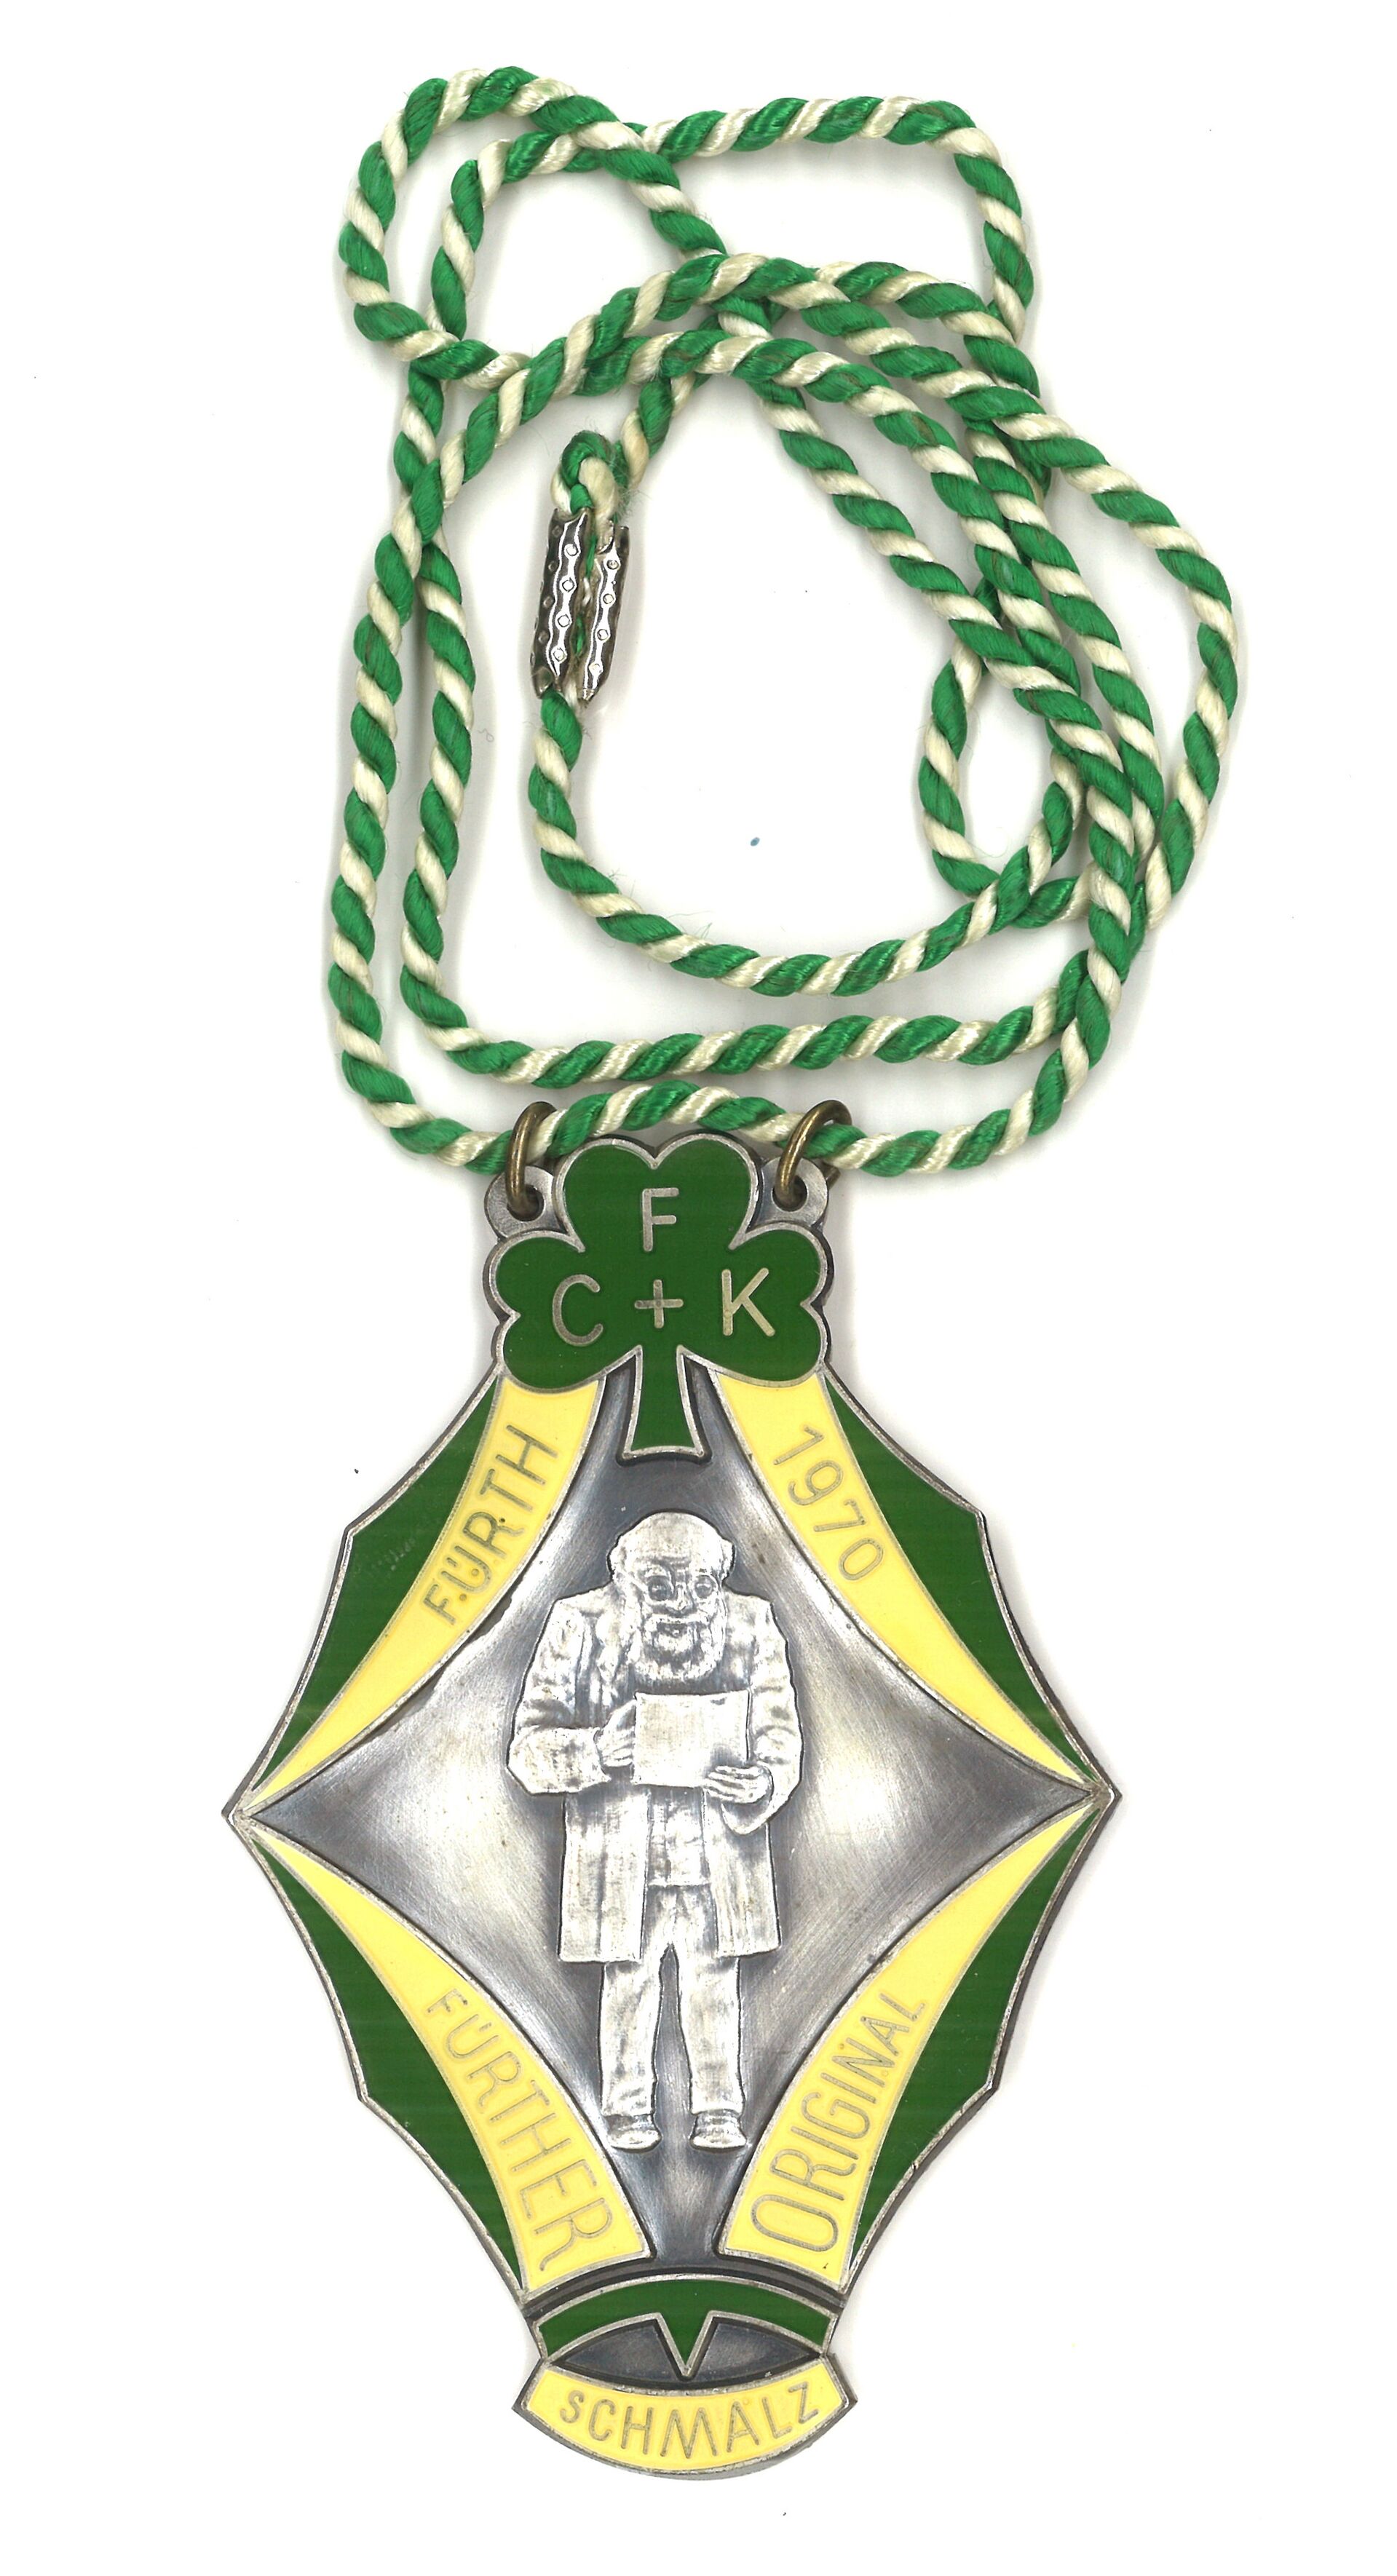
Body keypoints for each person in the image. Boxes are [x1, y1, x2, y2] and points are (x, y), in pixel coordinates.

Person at [508, 1512, 802, 2150]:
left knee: (714, 1980)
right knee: (628, 1979)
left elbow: (780, 1737)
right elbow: (526, 1752)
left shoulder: (750, 1624)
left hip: (716, 1850)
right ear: (624, 1578)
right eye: (660, 1587)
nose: (681, 1606)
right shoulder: (577, 1623)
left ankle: (719, 2108)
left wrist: (763, 1781)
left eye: (699, 1587)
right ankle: (626, 2110)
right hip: (619, 1855)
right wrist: (593, 1752)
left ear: (720, 1577)